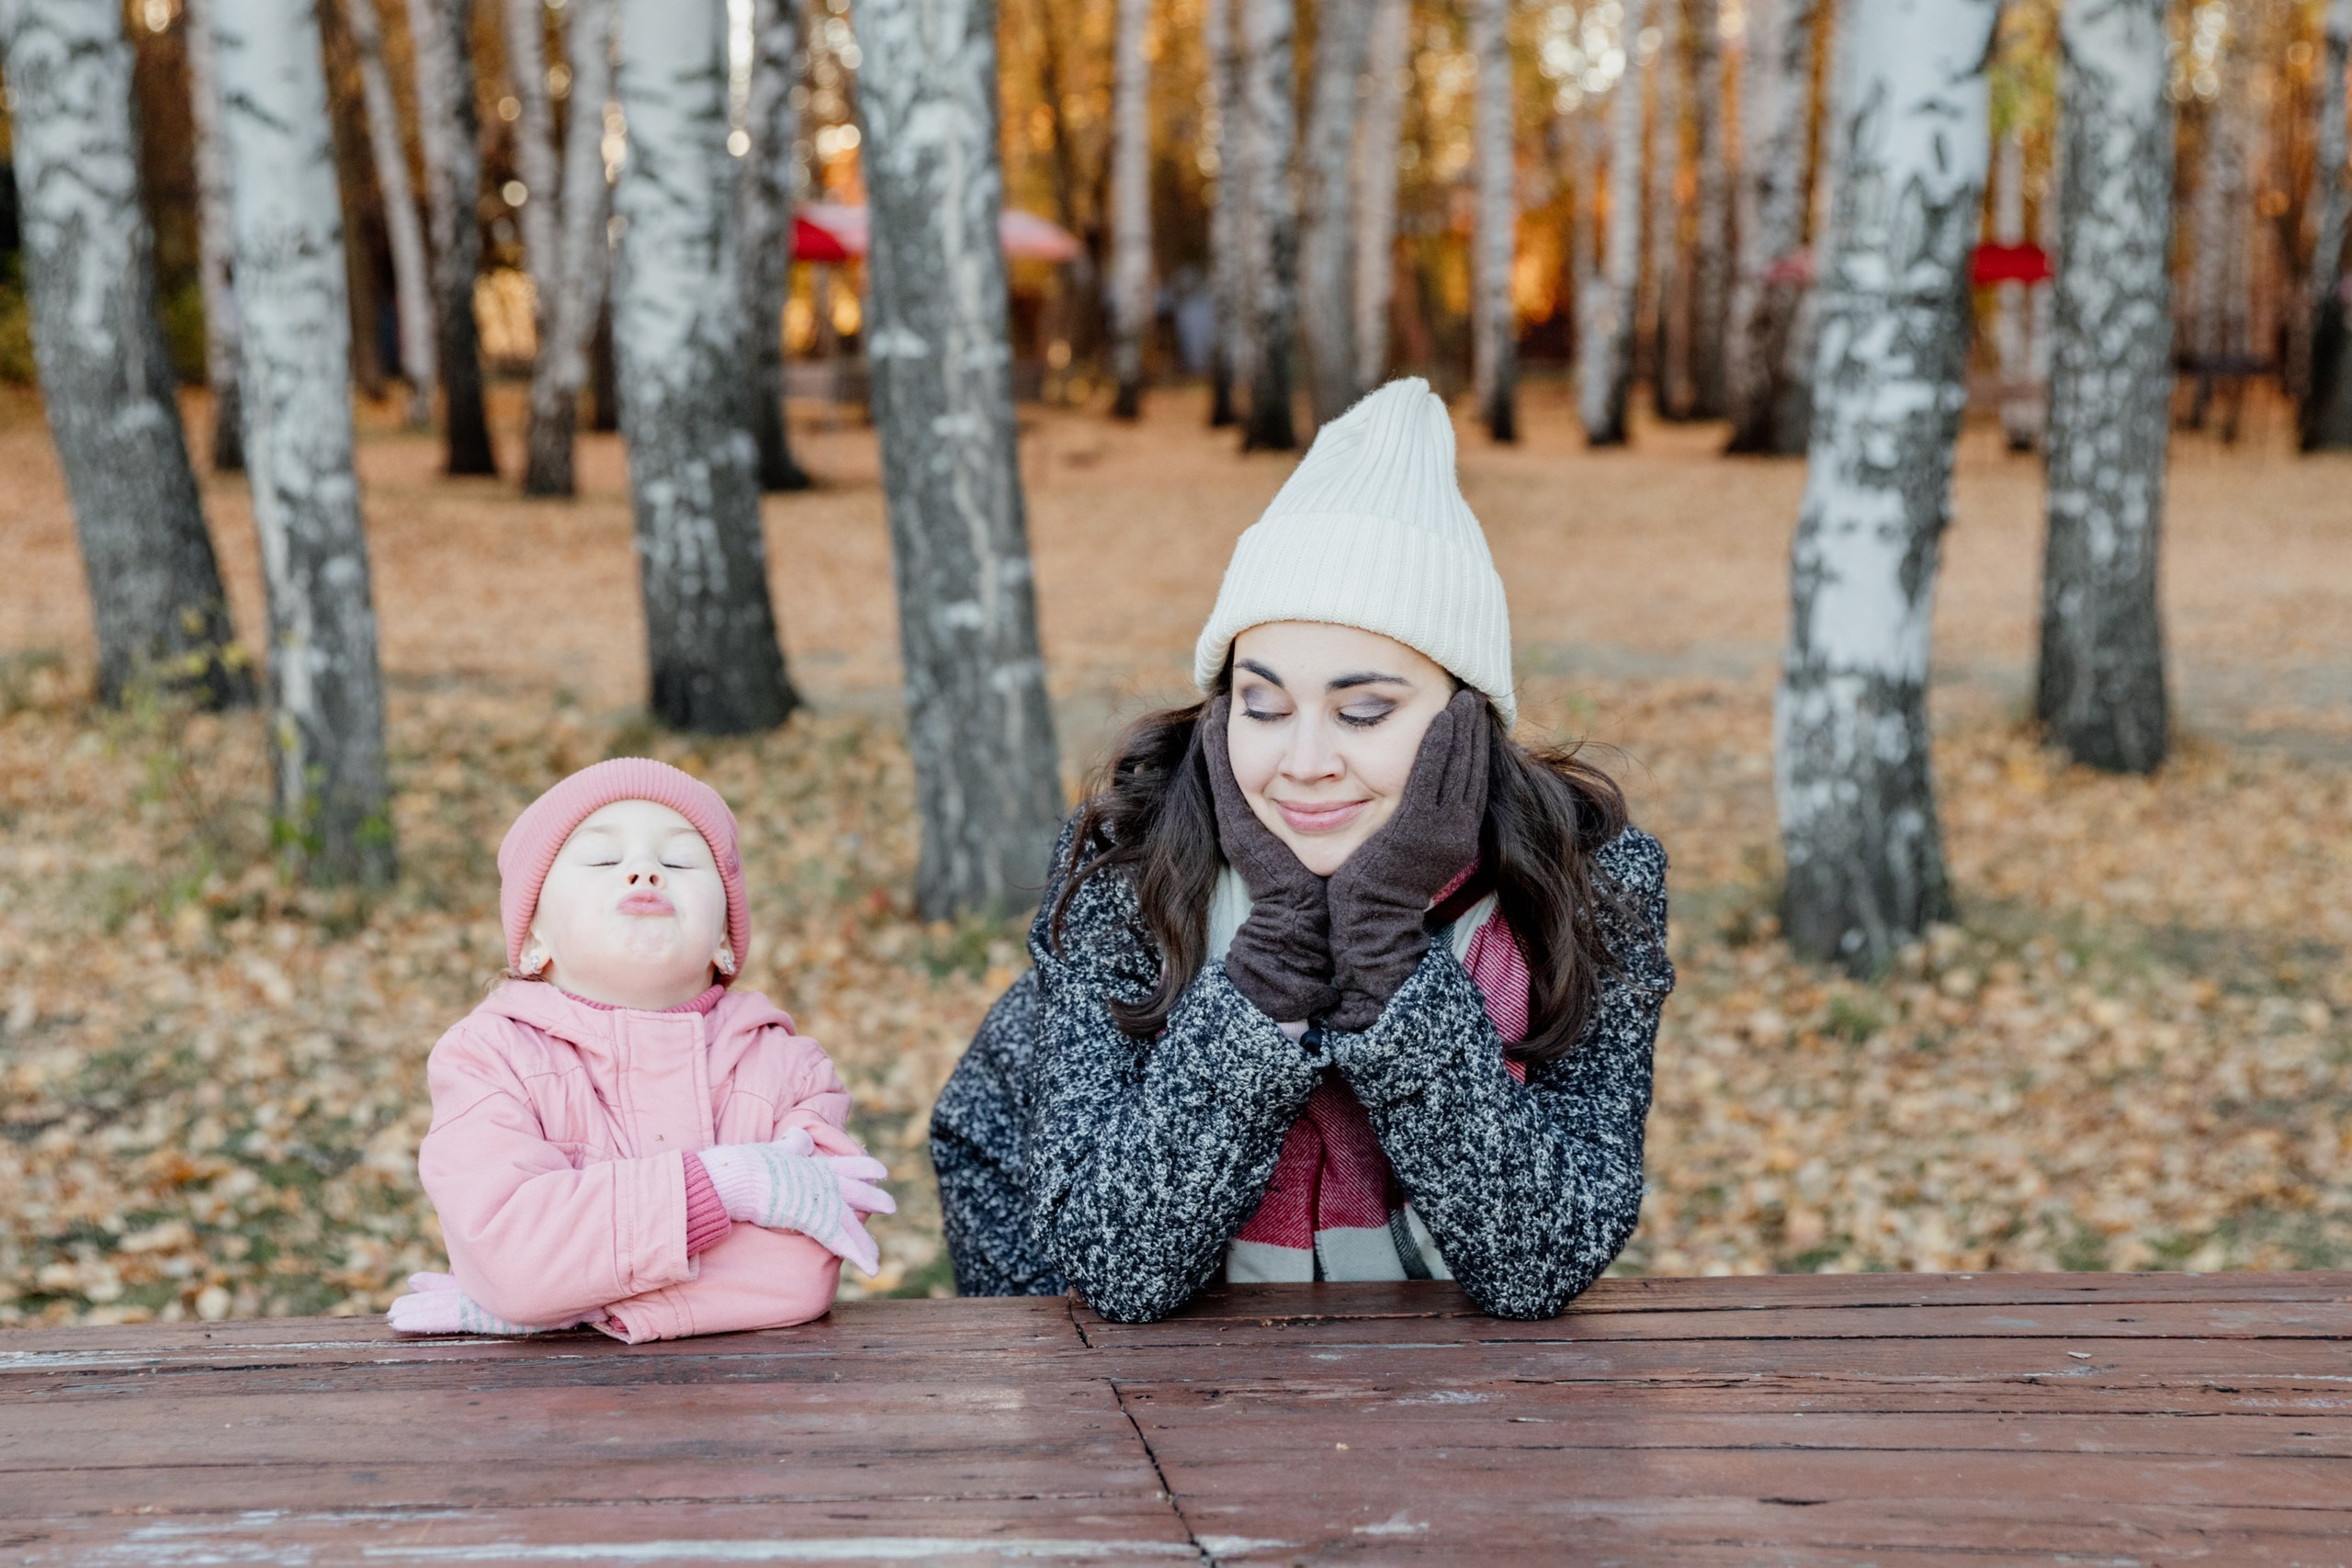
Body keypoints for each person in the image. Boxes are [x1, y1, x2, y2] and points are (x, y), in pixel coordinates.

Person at [931, 378, 1674, 1323]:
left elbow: (1541, 1261)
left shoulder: (1587, 885)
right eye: (1264, 706)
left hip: (1432, 1386)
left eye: (1364, 711)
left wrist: (1386, 947)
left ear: (1465, 726)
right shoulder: (1127, 869)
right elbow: (1116, 1268)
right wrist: (1273, 959)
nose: (1304, 763)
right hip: (1126, 1376)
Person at [390, 759, 893, 1341]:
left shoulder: (790, 1070)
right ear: (532, 939)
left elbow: (799, 1277)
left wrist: (564, 1305)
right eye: (603, 859)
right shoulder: (487, 1059)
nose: (645, 872)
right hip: (544, 1416)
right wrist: (724, 1184)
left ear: (728, 939)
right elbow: (510, 1256)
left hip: (750, 1410)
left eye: (679, 860)